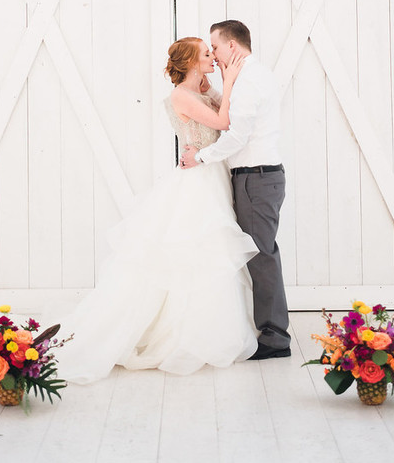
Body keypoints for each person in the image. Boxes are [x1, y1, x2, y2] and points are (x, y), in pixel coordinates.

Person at [54, 37, 259, 384]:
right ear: (192, 61)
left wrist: (221, 83)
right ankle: (181, 335)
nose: (213, 56)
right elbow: (224, 123)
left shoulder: (199, 90)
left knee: (208, 253)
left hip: (211, 174)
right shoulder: (181, 95)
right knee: (196, 252)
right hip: (198, 182)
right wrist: (230, 81)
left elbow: (224, 115)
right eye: (207, 54)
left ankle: (206, 328)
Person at [180, 20, 291, 360]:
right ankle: (267, 329)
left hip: (257, 178)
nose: (212, 52)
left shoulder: (249, 81)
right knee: (257, 254)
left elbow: (236, 135)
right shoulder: (244, 78)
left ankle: (275, 338)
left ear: (232, 46)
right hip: (251, 178)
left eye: (215, 45)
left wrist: (199, 156)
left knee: (261, 255)